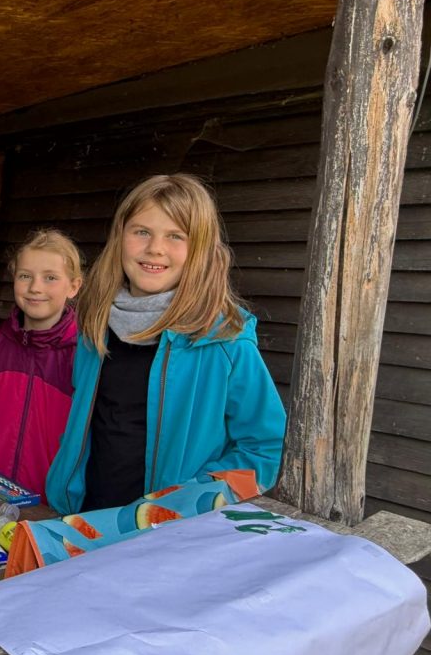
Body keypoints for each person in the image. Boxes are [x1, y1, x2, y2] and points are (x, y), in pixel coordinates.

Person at [44, 174, 285, 516]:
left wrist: (190, 505)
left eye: (175, 236)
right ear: (120, 237)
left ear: (199, 250)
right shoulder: (95, 326)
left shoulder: (223, 340)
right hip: (85, 521)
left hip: (168, 538)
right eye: (142, 231)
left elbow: (265, 446)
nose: (155, 248)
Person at [0, 229, 83, 498]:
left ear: (74, 286)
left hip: (51, 504)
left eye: (50, 278)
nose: (35, 287)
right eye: (25, 276)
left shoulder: (84, 354)